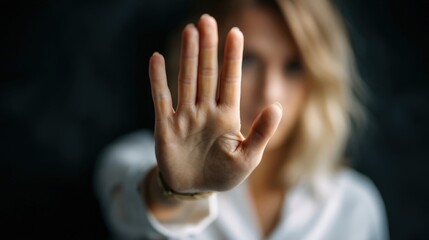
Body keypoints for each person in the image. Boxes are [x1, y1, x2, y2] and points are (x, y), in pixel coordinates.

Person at [94, 0, 389, 239]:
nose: (269, 92)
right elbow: (129, 210)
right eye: (248, 60)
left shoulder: (353, 205)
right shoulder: (135, 158)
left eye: (294, 66)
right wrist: (179, 190)